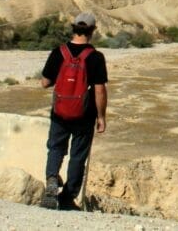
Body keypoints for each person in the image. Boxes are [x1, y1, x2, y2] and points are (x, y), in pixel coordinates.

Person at [40, 11, 108, 211]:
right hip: (84, 116)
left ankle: (52, 179)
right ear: (92, 31)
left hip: (59, 112)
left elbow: (44, 83)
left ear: (73, 29)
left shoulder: (58, 52)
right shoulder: (95, 57)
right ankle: (68, 199)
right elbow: (99, 90)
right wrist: (101, 116)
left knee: (56, 148)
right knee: (78, 156)